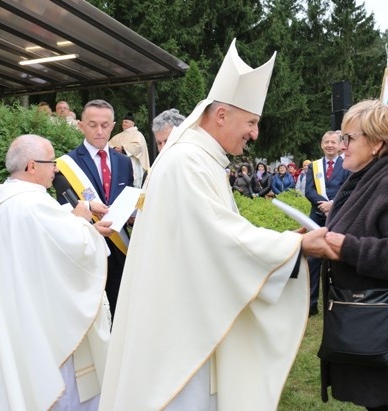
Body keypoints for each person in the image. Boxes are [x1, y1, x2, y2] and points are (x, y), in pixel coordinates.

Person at [98, 38, 337, 410]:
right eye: (252, 122)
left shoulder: (198, 158)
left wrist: (281, 239)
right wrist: (296, 247)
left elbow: (217, 230)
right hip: (180, 328)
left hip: (185, 310)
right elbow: (219, 238)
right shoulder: (188, 162)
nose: (255, 133)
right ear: (222, 115)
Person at [0, 134, 113, 410]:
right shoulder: (32, 203)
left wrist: (79, 223)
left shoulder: (6, 196)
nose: (56, 169)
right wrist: (84, 224)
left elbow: (43, 240)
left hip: (21, 303)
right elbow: (72, 248)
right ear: (31, 166)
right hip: (43, 315)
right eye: (51, 162)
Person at [320, 99, 388, 411]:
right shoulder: (363, 180)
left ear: (377, 143)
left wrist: (346, 246)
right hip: (369, 314)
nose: (342, 145)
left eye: (349, 138)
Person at [53, 99, 134, 318]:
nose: (99, 131)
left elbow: (129, 199)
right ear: (80, 125)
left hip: (119, 249)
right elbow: (64, 212)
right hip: (86, 249)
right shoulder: (64, 165)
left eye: (105, 125)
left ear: (113, 125)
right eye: (92, 124)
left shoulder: (124, 162)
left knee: (121, 314)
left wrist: (133, 216)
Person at [305, 130, 351, 315]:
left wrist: (332, 205)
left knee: (338, 257)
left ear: (340, 144)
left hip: (339, 215)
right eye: (326, 142)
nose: (330, 145)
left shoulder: (347, 165)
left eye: (333, 142)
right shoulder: (313, 166)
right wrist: (322, 205)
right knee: (312, 260)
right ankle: (311, 303)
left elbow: (348, 188)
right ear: (322, 144)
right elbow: (308, 190)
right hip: (316, 215)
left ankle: (339, 301)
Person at [109, 112, 150, 187]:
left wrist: (123, 149)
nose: (123, 124)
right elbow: (108, 146)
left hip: (133, 165)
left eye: (126, 122)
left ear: (132, 123)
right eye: (123, 122)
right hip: (118, 167)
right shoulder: (118, 136)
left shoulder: (137, 134)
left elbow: (138, 147)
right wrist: (114, 149)